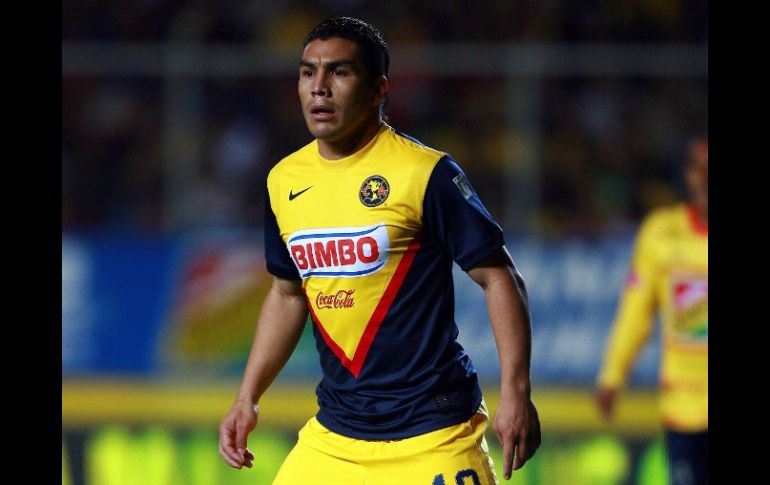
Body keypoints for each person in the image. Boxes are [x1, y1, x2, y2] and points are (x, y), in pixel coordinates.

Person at [218, 17, 540, 484]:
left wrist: (516, 392)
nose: (319, 87)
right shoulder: (283, 181)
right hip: (335, 437)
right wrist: (247, 396)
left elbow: (500, 277)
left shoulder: (425, 173)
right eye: (308, 72)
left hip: (433, 433)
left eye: (339, 72)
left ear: (378, 90)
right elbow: (287, 294)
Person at [595, 135, 708, 485]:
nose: (705, 178)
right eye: (698, 168)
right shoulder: (661, 233)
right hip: (685, 408)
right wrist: (613, 374)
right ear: (687, 174)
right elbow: (636, 312)